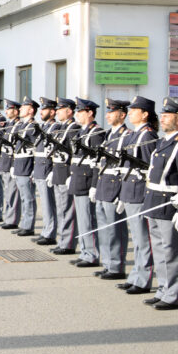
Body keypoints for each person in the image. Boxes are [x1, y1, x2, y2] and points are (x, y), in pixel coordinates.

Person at [142, 98, 178, 311]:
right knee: (159, 250)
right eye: (162, 115)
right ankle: (163, 289)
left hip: (170, 206)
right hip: (154, 203)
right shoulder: (162, 143)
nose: (162, 118)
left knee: (172, 252)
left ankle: (173, 294)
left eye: (167, 115)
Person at [114, 96, 159, 293]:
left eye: (134, 110)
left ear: (145, 114)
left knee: (143, 240)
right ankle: (135, 275)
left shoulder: (147, 136)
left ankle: (143, 279)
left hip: (140, 192)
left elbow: (150, 169)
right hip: (130, 192)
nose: (129, 113)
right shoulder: (135, 134)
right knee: (137, 240)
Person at [92, 98, 131, 278]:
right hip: (102, 185)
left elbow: (127, 168)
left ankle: (117, 266)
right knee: (104, 229)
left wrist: (121, 193)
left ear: (122, 115)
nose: (108, 115)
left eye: (112, 111)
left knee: (116, 230)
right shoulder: (108, 134)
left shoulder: (127, 135)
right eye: (107, 111)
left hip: (114, 187)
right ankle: (107, 263)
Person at [67, 98, 104, 267]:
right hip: (78, 179)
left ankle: (92, 254)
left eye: (80, 112)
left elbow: (97, 163)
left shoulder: (96, 133)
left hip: (87, 181)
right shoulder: (82, 132)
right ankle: (85, 251)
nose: (77, 115)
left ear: (90, 113)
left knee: (88, 219)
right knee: (82, 219)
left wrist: (95, 185)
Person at [50, 97, 81, 255]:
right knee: (61, 208)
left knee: (67, 209)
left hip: (66, 172)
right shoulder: (61, 127)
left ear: (69, 111)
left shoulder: (74, 128)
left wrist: (72, 174)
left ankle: (68, 243)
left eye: (60, 109)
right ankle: (63, 240)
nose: (57, 112)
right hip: (57, 171)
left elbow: (74, 153)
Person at [31, 98, 59, 246]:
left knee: (49, 204)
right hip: (40, 169)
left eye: (44, 109)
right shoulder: (44, 127)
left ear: (52, 112)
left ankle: (50, 233)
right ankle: (45, 231)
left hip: (47, 169)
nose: (41, 112)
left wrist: (52, 171)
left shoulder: (55, 128)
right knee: (45, 204)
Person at [11, 98, 40, 236]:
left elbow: (37, 148)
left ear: (31, 110)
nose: (20, 109)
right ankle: (24, 223)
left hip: (27, 165)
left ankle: (29, 226)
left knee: (28, 197)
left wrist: (34, 168)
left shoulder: (33, 126)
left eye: (23, 107)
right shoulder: (22, 125)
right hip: (19, 165)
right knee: (23, 197)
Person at [0, 99, 21, 225]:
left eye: (9, 109)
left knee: (13, 193)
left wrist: (12, 165)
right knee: (8, 192)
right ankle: (8, 217)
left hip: (11, 163)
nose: (6, 111)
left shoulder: (17, 126)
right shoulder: (9, 125)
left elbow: (16, 147)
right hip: (5, 162)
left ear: (16, 111)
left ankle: (12, 220)